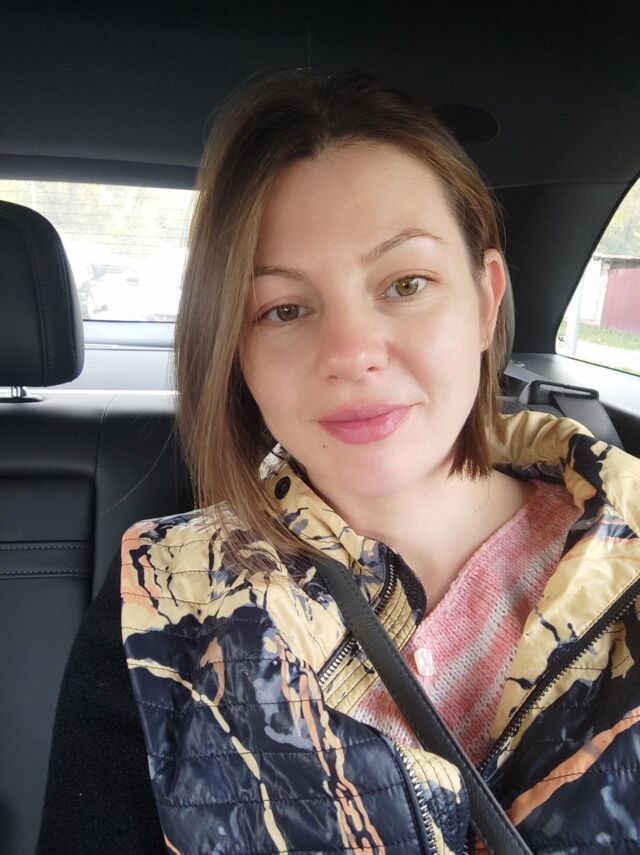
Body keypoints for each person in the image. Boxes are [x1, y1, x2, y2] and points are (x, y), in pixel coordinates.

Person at [38, 71, 640, 855]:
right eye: (285, 308)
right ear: (235, 349)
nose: (352, 352)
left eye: (406, 283)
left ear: (486, 301)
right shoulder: (161, 607)